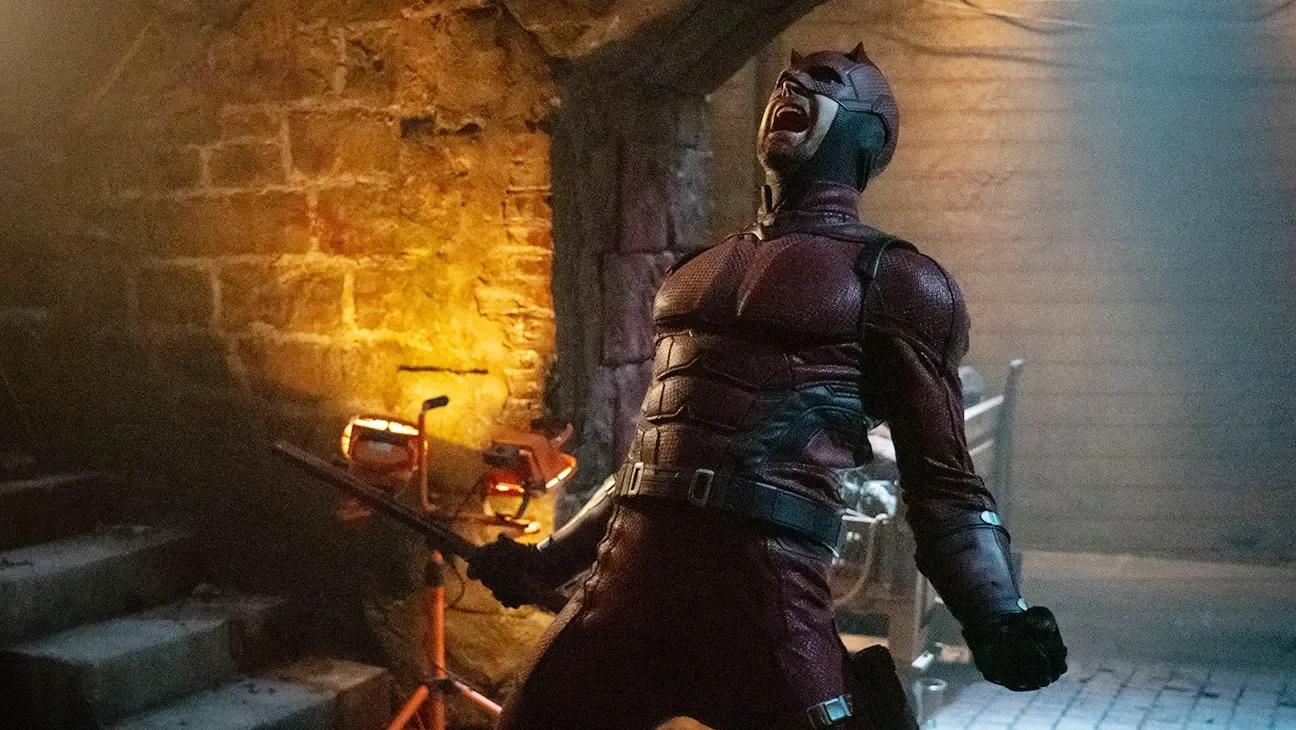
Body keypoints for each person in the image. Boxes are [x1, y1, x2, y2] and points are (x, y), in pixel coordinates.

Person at [469, 44, 1067, 730]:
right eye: (787, 79)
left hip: (768, 602)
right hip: (625, 591)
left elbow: (945, 485)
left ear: (868, 133)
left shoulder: (897, 281)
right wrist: (547, 563)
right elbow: (653, 466)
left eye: (824, 81)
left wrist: (996, 615)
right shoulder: (697, 271)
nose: (791, 87)